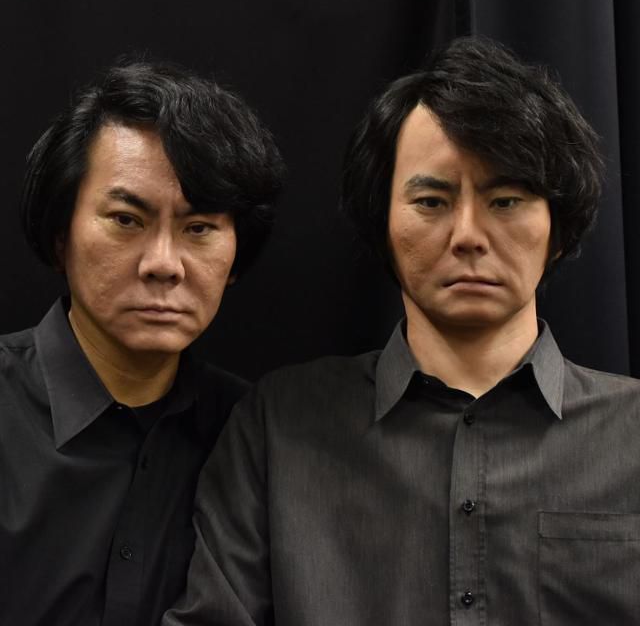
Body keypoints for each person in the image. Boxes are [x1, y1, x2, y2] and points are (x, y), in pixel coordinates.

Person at [164, 36, 640, 626]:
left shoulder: (631, 434)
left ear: (558, 231)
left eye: (506, 200)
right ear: (382, 227)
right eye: (432, 201)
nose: (468, 235)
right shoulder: (279, 425)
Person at [0, 59, 284, 626]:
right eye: (127, 220)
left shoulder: (254, 433)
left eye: (198, 228)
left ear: (235, 257)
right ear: (61, 237)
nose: (164, 264)